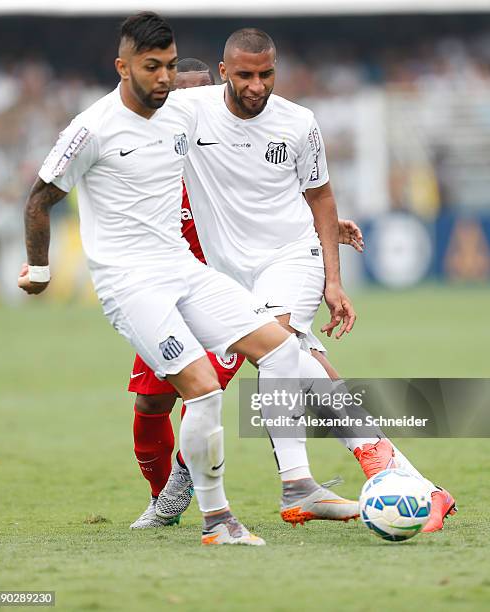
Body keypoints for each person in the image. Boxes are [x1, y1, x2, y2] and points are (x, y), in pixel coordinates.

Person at [18, 12, 360, 547]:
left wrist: (319, 222)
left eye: (171, 67)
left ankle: (299, 487)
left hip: (185, 269)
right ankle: (215, 518)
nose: (163, 78)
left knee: (283, 348)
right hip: (131, 284)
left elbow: (238, 167)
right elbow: (40, 199)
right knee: (196, 393)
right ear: (122, 66)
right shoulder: (92, 127)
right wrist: (39, 271)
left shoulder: (180, 116)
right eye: (152, 67)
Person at [160, 29, 456, 533]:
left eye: (267, 74)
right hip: (228, 273)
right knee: (301, 360)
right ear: (224, 70)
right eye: (246, 75)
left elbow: (320, 195)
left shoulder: (299, 122)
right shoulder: (191, 110)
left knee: (277, 347)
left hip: (293, 255)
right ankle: (408, 479)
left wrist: (333, 281)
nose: (257, 85)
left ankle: (298, 483)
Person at [128, 58, 366, 530]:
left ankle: (374, 461)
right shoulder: (155, 171)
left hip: (237, 293)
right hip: (171, 300)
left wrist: (320, 228)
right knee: (151, 403)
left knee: (286, 362)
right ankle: (166, 496)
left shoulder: (228, 145)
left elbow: (268, 197)